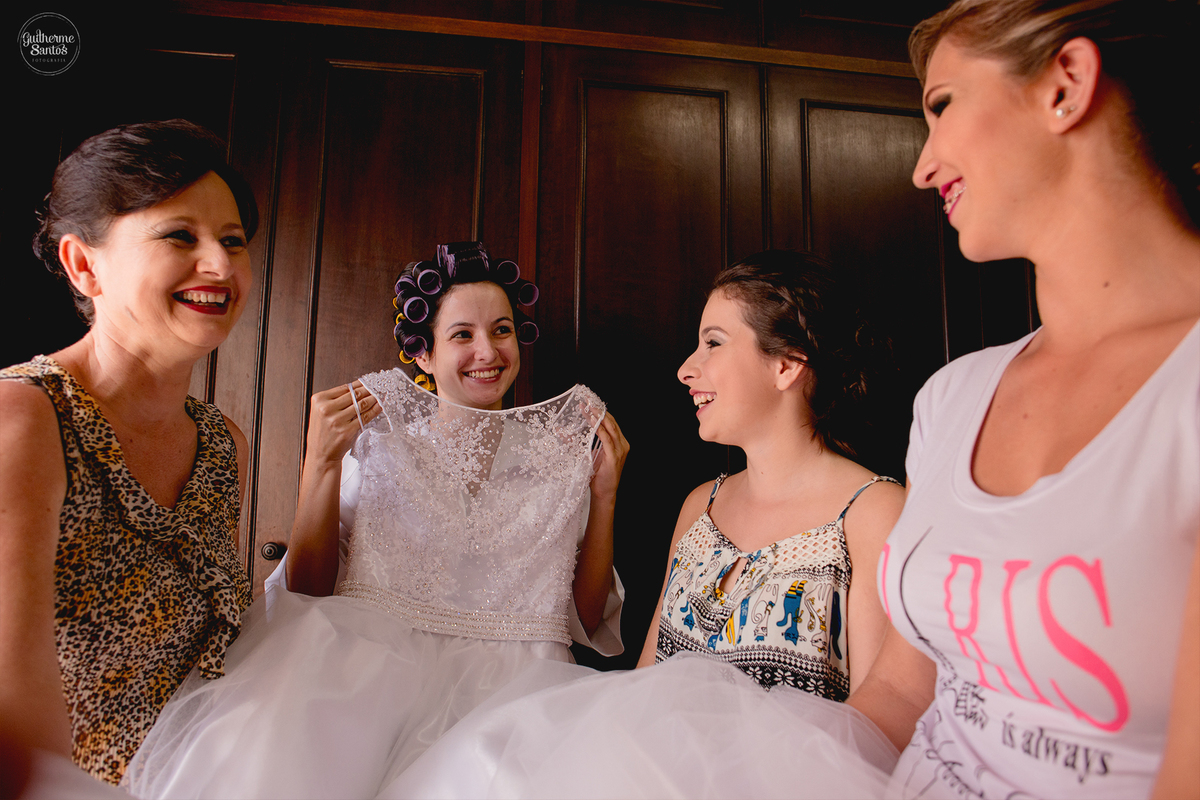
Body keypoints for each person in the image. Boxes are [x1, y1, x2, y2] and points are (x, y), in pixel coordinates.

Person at [381, 250, 907, 799]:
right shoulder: (702, 506)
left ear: (786, 365)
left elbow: (882, 718)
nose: (686, 369)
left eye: (713, 343)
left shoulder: (874, 512)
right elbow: (647, 679)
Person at [122, 241, 630, 799]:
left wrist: (604, 496)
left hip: (516, 697)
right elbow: (306, 594)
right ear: (423, 354)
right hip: (371, 687)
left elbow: (583, 620)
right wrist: (321, 462)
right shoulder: (380, 448)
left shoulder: (558, 459)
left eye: (502, 330)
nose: (487, 351)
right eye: (462, 334)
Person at [847, 1, 1200, 798]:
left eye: (942, 105)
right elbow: (902, 692)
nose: (922, 168)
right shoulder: (951, 398)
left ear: (1065, 86)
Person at [0, 119, 259, 786]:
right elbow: (14, 726)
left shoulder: (222, 445)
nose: (221, 266)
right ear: (84, 265)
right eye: (180, 235)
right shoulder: (23, 417)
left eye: (233, 240)